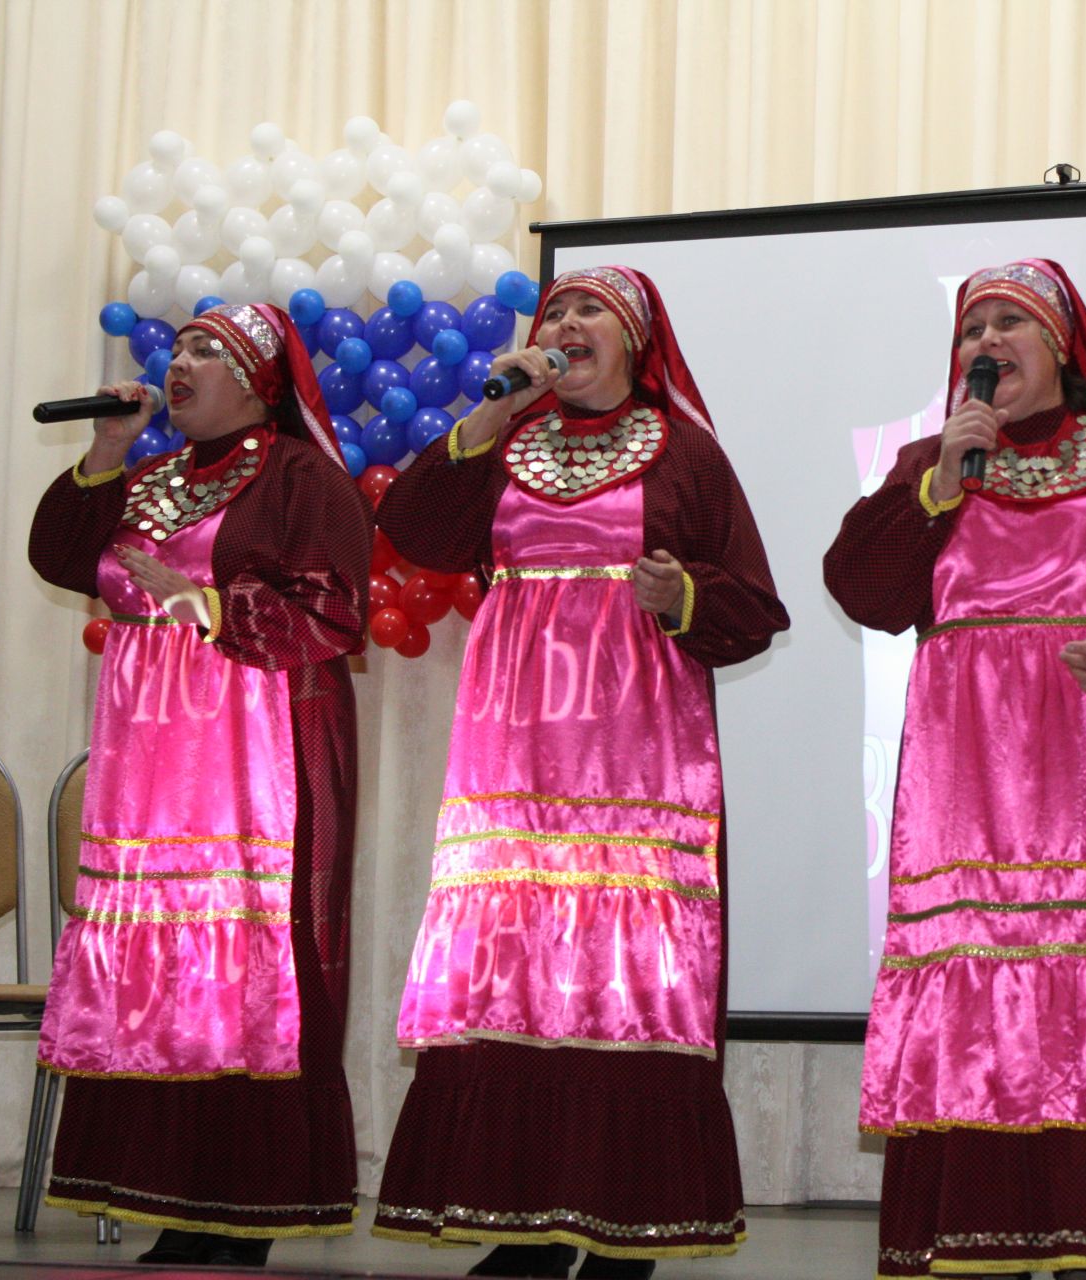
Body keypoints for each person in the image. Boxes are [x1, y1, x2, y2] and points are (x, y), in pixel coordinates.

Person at [825, 258, 1086, 1280]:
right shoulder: (935, 463)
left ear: (1063, 344)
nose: (986, 342)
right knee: (974, 996)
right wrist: (932, 487)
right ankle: (977, 1233)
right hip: (965, 783)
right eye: (973, 328)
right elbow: (862, 586)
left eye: (1010, 322)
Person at [370, 267, 788, 1279]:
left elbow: (752, 605)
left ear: (637, 340)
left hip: (638, 751)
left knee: (623, 981)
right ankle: (517, 1219)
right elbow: (417, 528)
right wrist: (487, 414)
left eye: (585, 311)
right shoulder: (505, 440)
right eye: (552, 312)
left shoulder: (685, 450)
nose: (562, 325)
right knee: (510, 971)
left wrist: (683, 588)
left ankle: (617, 1228)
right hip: (513, 750)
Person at [29, 302, 373, 1266]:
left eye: (207, 351)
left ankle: (243, 1210)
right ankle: (172, 1198)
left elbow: (335, 611)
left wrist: (205, 603)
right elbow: (62, 557)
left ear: (261, 379)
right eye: (177, 348)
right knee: (161, 978)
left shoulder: (303, 478)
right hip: (151, 773)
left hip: (253, 758)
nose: (180, 363)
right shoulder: (150, 477)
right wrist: (105, 449)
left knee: (250, 973)